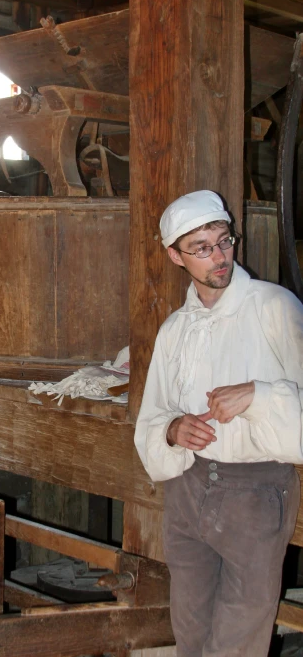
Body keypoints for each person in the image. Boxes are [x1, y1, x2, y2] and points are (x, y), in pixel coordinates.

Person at [134, 189, 303, 657]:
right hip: (188, 490)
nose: (219, 257)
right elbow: (154, 415)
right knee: (189, 634)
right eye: (202, 248)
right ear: (174, 255)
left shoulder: (276, 308)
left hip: (255, 493)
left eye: (224, 241)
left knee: (237, 643)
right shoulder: (175, 330)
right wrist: (172, 430)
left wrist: (259, 395)